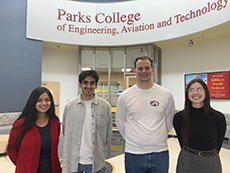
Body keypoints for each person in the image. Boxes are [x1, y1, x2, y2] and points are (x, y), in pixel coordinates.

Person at [116, 55, 175, 173]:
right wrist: (133, 139)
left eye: (147, 68)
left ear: (152, 69)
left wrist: (157, 137)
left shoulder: (165, 94)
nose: (144, 71)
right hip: (133, 154)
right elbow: (119, 121)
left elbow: (169, 120)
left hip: (160, 153)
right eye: (140, 68)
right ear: (135, 71)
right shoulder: (125, 96)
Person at [62, 70, 112, 173]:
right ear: (79, 84)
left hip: (97, 164)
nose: (88, 86)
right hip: (74, 164)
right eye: (85, 82)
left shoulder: (105, 106)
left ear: (96, 85)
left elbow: (108, 135)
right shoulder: (70, 107)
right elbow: (65, 132)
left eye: (92, 83)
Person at [173, 78, 226, 173]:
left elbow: (219, 143)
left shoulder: (218, 117)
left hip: (211, 161)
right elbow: (182, 141)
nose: (195, 93)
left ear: (206, 92)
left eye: (199, 89)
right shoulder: (179, 117)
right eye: (191, 90)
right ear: (187, 94)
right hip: (187, 160)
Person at [7, 87, 62, 173]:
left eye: (47, 100)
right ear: (33, 102)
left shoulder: (55, 122)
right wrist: (23, 165)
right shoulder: (20, 124)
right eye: (39, 100)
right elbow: (11, 149)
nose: (44, 103)